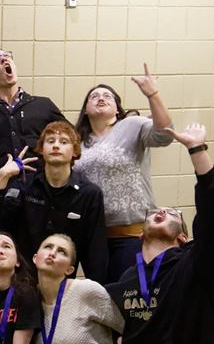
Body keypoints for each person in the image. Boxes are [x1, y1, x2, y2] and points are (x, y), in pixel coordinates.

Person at [106, 123, 214, 344]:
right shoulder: (127, 278)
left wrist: (197, 149)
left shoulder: (194, 261)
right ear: (140, 234)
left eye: (173, 214)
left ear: (183, 238)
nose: (163, 211)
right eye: (156, 211)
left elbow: (212, 210)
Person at [74, 63, 174, 283]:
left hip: (132, 235)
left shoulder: (132, 125)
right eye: (94, 96)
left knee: (133, 303)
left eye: (108, 96)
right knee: (104, 301)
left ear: (117, 109)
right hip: (94, 238)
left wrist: (152, 94)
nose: (101, 97)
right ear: (85, 110)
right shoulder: (77, 142)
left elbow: (165, 135)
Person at [0, 121, 107, 283]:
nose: (56, 146)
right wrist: (2, 178)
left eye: (64, 142)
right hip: (23, 282)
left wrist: (96, 293)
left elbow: (95, 250)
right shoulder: (23, 186)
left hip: (63, 284)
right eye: (50, 141)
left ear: (75, 152)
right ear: (41, 150)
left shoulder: (89, 193)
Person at [0, 46, 66, 226]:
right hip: (2, 199)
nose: (4, 59)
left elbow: (72, 142)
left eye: (7, 56)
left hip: (45, 199)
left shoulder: (44, 105)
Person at [33, 234, 124, 344]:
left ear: (69, 270)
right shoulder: (29, 298)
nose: (52, 253)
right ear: (35, 258)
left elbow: (130, 328)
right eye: (48, 247)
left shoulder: (86, 290)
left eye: (62, 251)